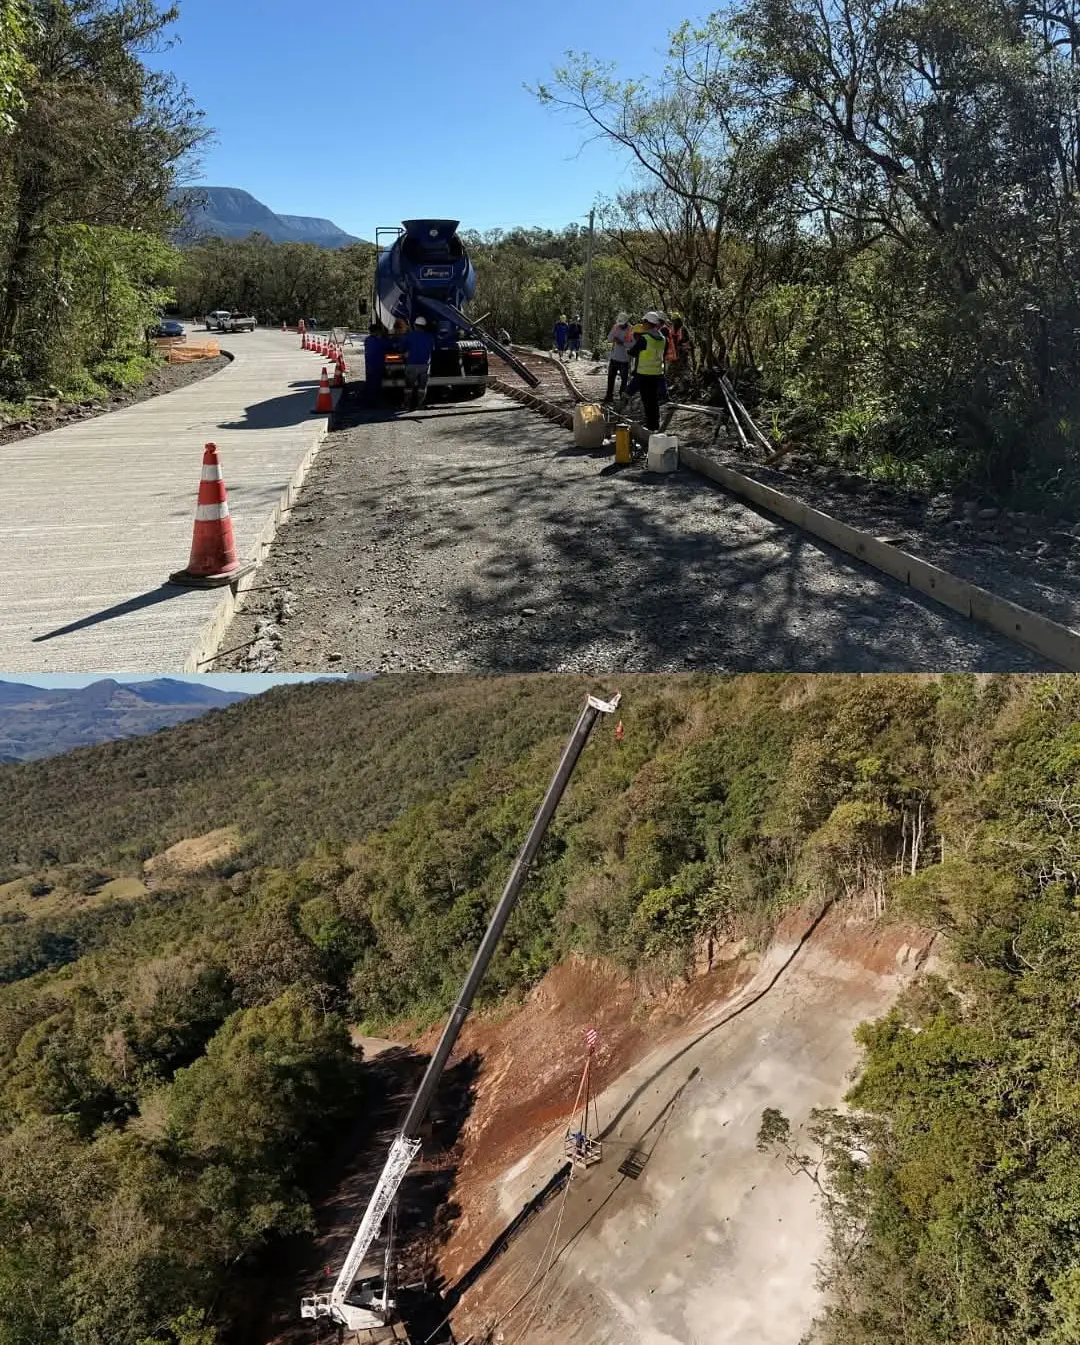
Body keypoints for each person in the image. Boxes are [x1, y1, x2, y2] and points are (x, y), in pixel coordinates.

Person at [628, 311, 667, 431]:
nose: (643, 324)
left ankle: (650, 426)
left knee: (647, 400)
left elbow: (633, 352)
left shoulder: (644, 338)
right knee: (654, 401)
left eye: (644, 322)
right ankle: (654, 425)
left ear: (648, 323)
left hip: (644, 374)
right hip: (657, 374)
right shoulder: (663, 339)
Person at [402, 316, 434, 410]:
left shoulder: (409, 336)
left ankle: (406, 405)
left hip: (411, 364)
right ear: (424, 326)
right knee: (422, 387)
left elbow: (402, 348)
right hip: (425, 365)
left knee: (409, 387)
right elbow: (432, 349)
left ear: (415, 325)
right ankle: (420, 405)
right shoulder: (429, 337)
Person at [604, 312, 632, 403]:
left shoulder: (631, 329)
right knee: (611, 378)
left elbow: (634, 344)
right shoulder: (615, 327)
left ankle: (622, 397)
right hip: (614, 357)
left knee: (624, 380)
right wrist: (614, 339)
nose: (621, 325)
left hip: (625, 359)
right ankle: (609, 397)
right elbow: (609, 338)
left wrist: (623, 343)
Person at [363, 323, 387, 403]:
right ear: (377, 331)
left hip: (369, 365)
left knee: (370, 382)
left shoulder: (367, 340)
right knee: (376, 383)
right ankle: (374, 400)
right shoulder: (379, 341)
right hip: (377, 365)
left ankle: (369, 399)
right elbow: (389, 345)